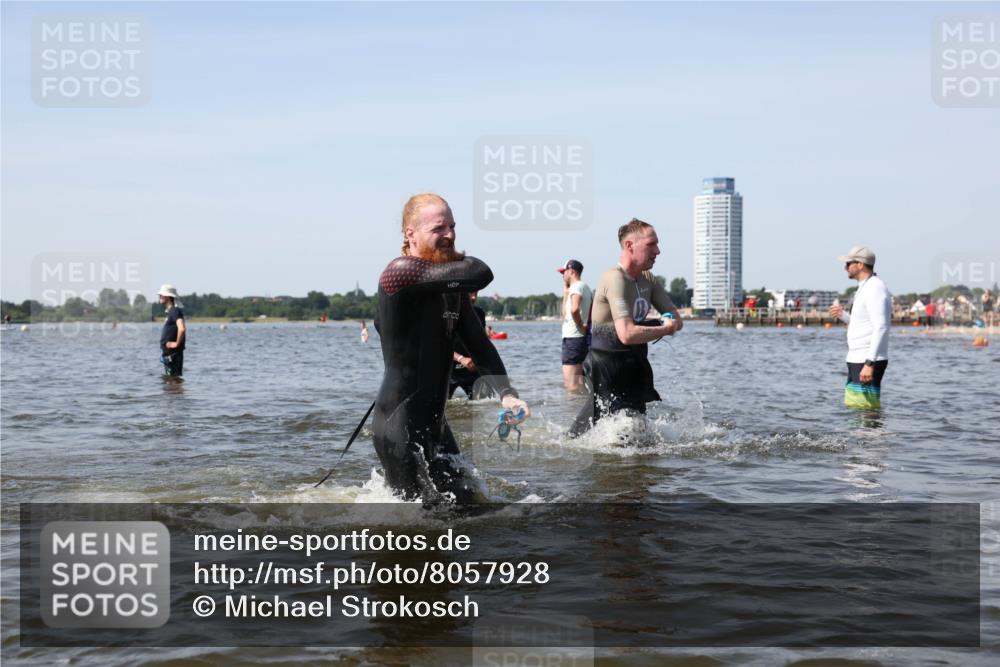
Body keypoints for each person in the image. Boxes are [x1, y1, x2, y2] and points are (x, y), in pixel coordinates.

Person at [373, 193, 529, 503]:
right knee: (416, 524)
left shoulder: (448, 289)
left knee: (469, 504)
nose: (449, 236)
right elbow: (481, 272)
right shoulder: (399, 272)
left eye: (452, 227)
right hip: (399, 426)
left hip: (436, 423)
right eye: (438, 229)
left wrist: (508, 394)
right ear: (410, 234)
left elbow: (479, 344)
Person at [569, 219, 681, 436]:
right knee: (595, 434)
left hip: (634, 364)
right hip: (605, 367)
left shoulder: (648, 278)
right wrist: (665, 328)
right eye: (651, 244)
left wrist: (666, 323)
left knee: (639, 433)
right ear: (630, 246)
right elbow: (627, 334)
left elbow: (677, 320)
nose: (658, 251)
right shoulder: (614, 278)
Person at [829, 246, 890, 410]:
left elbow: (881, 327)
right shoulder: (864, 287)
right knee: (855, 410)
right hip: (857, 358)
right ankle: (860, 437)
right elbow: (862, 323)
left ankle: (873, 436)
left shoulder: (875, 288)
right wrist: (843, 316)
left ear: (861, 264)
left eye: (849, 263)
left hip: (866, 359)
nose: (845, 267)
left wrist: (869, 363)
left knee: (866, 411)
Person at [449, 291, 495, 399]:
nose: (474, 297)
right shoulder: (447, 313)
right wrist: (461, 358)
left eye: (476, 293)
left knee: (483, 405)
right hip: (448, 370)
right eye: (470, 293)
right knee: (442, 409)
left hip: (472, 369)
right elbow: (438, 345)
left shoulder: (479, 313)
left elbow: (482, 342)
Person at [558, 259, 592, 391]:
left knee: (571, 385)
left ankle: (571, 410)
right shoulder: (582, 287)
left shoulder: (577, 287)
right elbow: (565, 315)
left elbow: (574, 309)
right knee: (579, 384)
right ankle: (580, 408)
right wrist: (566, 295)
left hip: (574, 338)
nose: (563, 276)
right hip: (577, 339)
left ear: (571, 271)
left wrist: (581, 326)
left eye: (564, 272)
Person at [157, 284, 186, 377]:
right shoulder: (171, 312)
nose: (160, 296)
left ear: (169, 297)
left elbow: (182, 328)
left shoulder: (175, 311)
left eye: (162, 295)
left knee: (173, 384)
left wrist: (176, 344)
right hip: (170, 356)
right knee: (172, 384)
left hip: (173, 355)